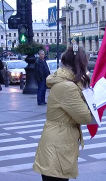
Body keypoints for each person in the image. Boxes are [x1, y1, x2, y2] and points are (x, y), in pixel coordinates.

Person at [33, 46, 93, 181]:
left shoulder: (66, 82)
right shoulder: (68, 87)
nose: (86, 67)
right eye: (85, 63)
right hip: (58, 146)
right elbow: (85, 116)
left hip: (57, 142)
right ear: (78, 64)